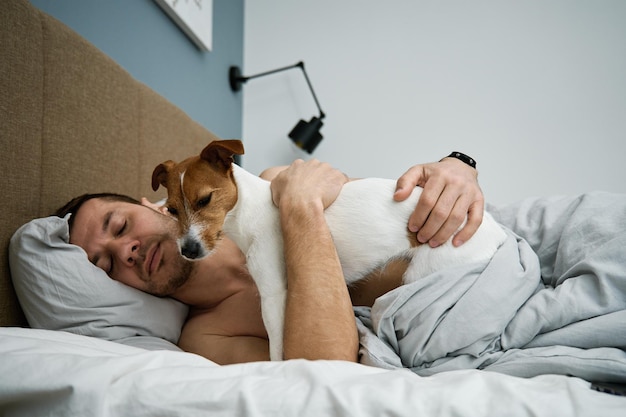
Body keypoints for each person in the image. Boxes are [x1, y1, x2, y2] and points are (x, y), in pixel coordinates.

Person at [57, 155, 483, 365]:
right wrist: (300, 212)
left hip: (470, 252)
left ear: (157, 205)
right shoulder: (206, 340)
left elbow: (387, 206)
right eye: (105, 266)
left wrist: (458, 166)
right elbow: (327, 372)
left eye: (119, 226)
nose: (124, 251)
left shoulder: (272, 182)